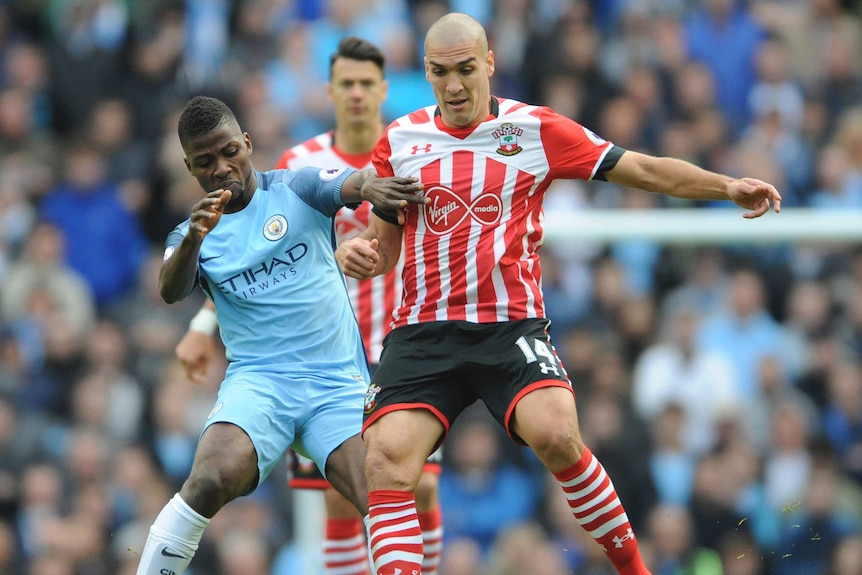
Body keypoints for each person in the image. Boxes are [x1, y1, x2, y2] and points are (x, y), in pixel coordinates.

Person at [336, 13, 782, 575]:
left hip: (509, 325)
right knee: (385, 461)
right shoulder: (399, 143)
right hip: (424, 331)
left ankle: (635, 571)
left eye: (466, 69)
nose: (453, 85)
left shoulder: (533, 131)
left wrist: (726, 186)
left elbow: (641, 168)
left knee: (557, 433)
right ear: (425, 71)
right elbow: (384, 251)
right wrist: (360, 255)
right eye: (441, 72)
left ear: (490, 64)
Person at [174, 37, 445, 575]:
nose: (357, 93)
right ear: (330, 90)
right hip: (320, 355)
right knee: (341, 497)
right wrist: (204, 325)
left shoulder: (414, 149)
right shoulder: (301, 163)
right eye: (346, 83)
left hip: (401, 340)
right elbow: (245, 262)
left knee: (413, 491)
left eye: (367, 83)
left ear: (383, 89)